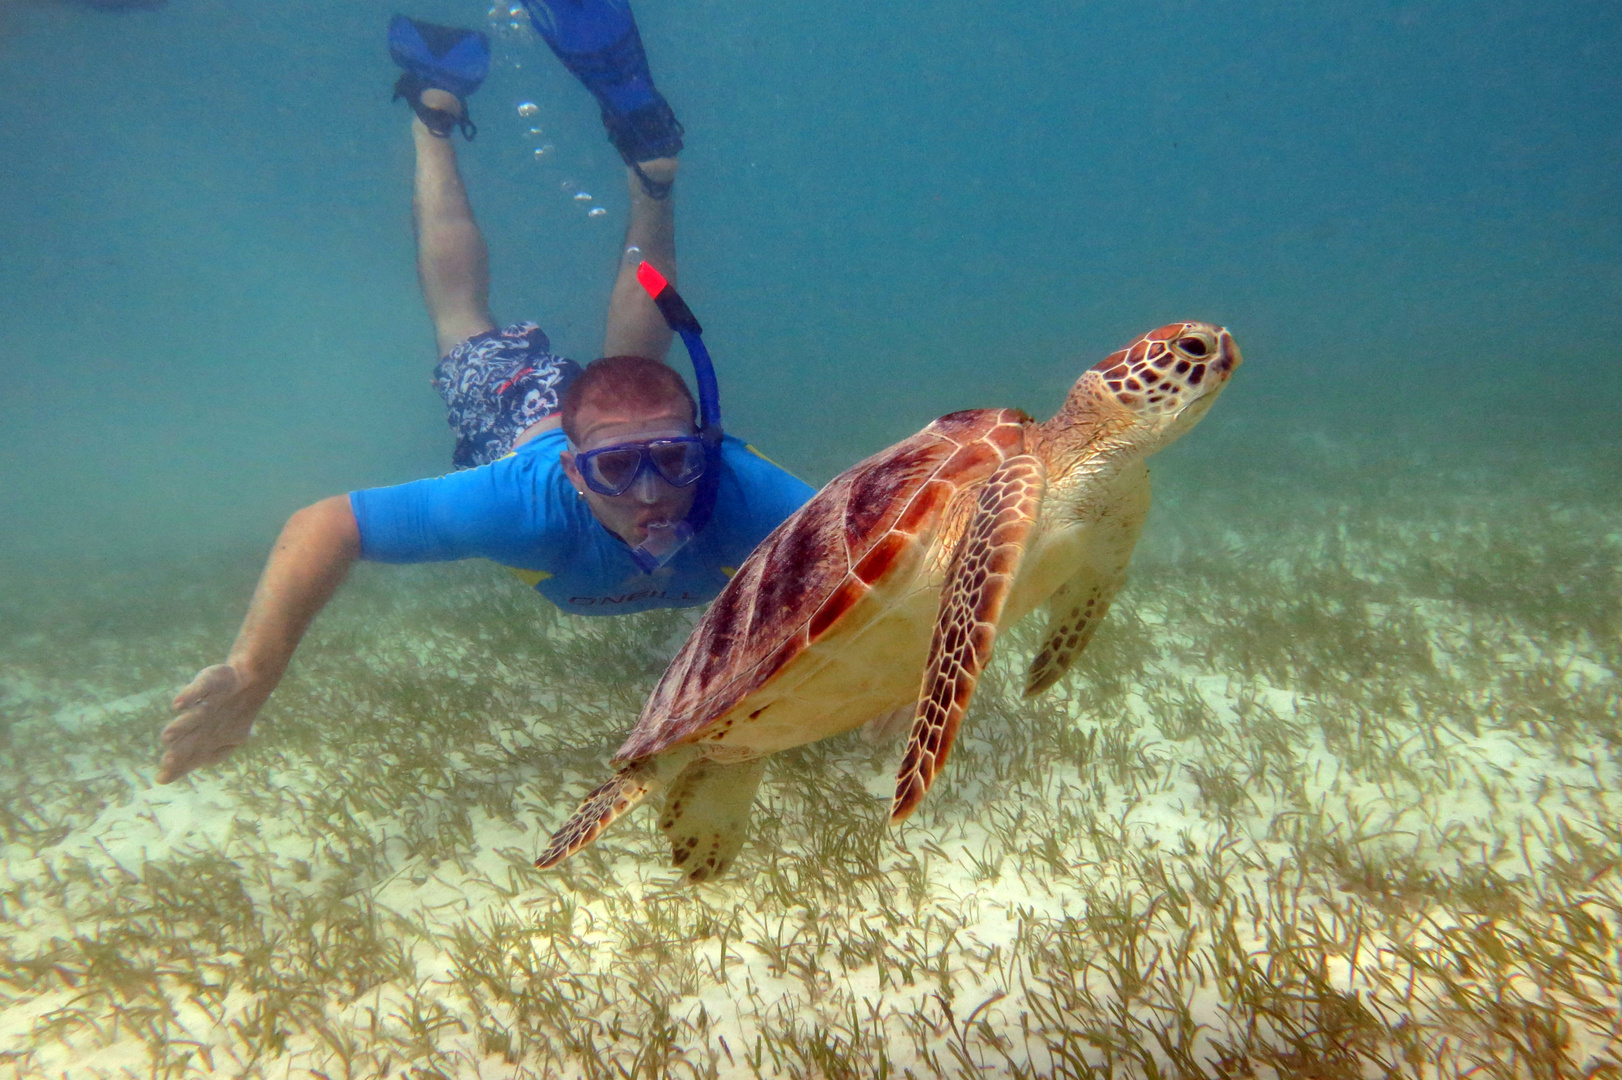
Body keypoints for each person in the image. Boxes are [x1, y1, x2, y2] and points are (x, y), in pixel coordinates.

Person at [157, 1, 815, 784]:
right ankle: (444, 117)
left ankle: (637, 171)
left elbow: (876, 548)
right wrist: (254, 670)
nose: (652, 495)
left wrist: (896, 665)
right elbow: (326, 524)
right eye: (614, 471)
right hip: (512, 413)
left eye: (675, 460)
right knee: (465, 322)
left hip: (586, 421)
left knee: (624, 374)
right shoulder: (521, 503)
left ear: (706, 452)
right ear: (572, 475)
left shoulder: (739, 490)